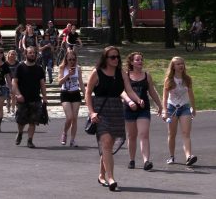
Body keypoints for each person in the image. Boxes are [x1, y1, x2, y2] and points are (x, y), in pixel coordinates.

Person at [85, 46, 144, 191]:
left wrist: (137, 99)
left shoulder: (121, 73)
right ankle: (111, 178)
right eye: (112, 57)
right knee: (105, 142)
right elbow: (87, 93)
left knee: (108, 146)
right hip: (100, 110)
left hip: (116, 110)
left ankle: (101, 174)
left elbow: (128, 89)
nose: (116, 59)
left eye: (117, 57)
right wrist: (91, 112)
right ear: (105, 58)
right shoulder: (96, 73)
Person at [121, 52, 162, 171]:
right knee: (131, 135)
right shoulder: (126, 75)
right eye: (137, 60)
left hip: (143, 109)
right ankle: (132, 159)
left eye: (141, 60)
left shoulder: (147, 75)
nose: (140, 62)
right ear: (132, 62)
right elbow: (122, 91)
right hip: (129, 108)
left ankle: (146, 161)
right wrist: (130, 101)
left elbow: (152, 91)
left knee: (144, 134)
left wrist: (159, 105)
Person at [162, 56, 197, 166]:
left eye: (182, 63)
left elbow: (191, 94)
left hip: (185, 107)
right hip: (172, 108)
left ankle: (188, 157)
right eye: (178, 64)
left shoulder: (187, 79)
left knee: (186, 133)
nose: (181, 65)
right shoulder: (169, 80)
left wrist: (193, 108)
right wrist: (164, 110)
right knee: (172, 134)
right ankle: (172, 157)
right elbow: (164, 97)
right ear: (173, 66)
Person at [12, 46, 48, 148]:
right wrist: (18, 94)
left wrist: (45, 96)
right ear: (25, 54)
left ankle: (30, 140)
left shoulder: (39, 69)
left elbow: (42, 84)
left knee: (33, 121)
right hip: (23, 99)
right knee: (21, 121)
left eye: (34, 53)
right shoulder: (20, 67)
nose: (32, 54)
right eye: (30, 53)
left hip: (35, 99)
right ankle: (20, 133)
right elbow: (14, 82)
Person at [57, 50, 86, 147]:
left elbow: (81, 83)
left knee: (74, 118)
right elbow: (59, 82)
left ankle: (72, 140)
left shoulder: (78, 68)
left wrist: (85, 94)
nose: (72, 61)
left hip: (75, 93)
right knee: (69, 117)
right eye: (70, 59)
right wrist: (68, 75)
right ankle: (65, 133)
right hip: (65, 93)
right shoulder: (62, 68)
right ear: (66, 59)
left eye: (73, 59)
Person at [5, 50, 19, 114]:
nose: (13, 55)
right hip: (7, 81)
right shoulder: (5, 63)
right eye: (11, 54)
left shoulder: (17, 63)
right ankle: (8, 106)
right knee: (8, 96)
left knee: (13, 95)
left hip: (16, 81)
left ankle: (13, 108)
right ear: (9, 55)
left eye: (14, 54)